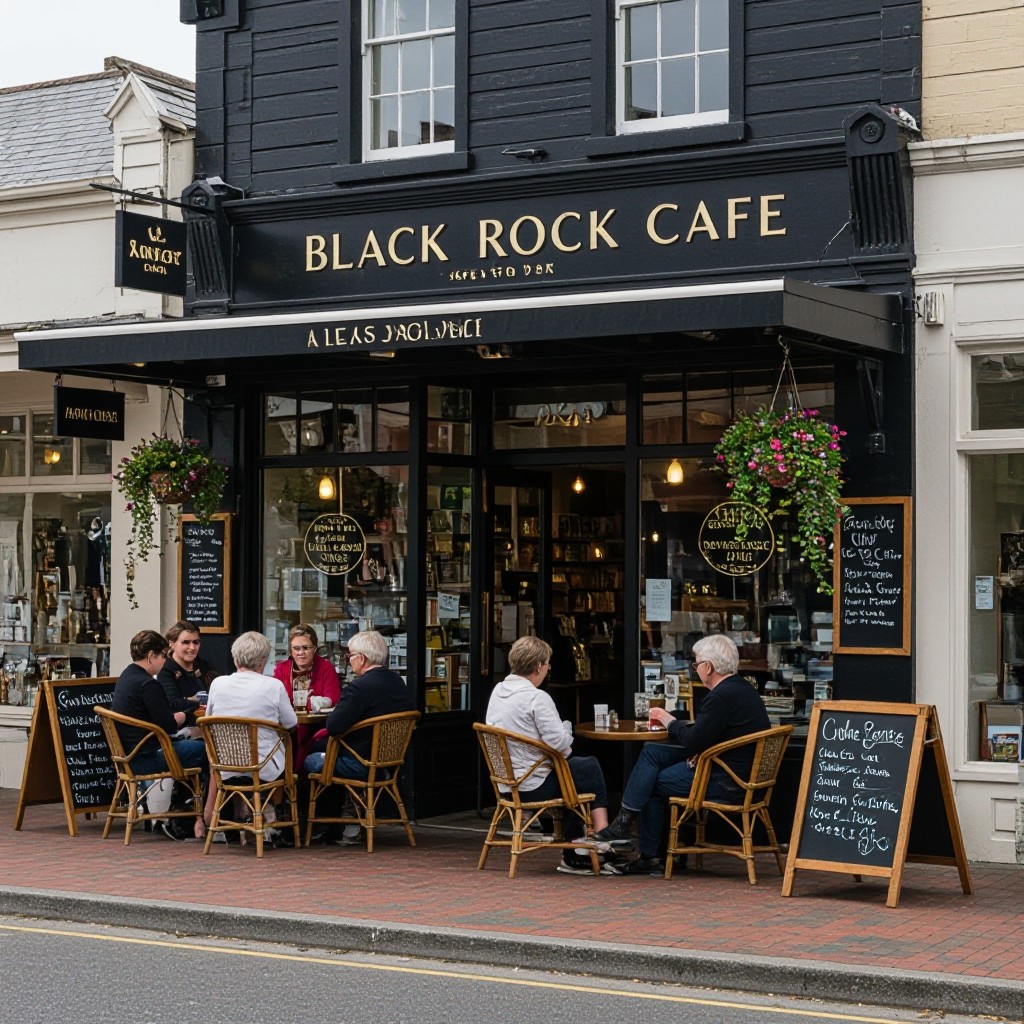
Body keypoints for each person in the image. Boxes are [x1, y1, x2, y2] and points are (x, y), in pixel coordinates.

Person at [595, 634, 770, 875]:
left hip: (728, 781)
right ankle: (630, 826)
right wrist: (703, 750)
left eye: (697, 664)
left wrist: (669, 720)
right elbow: (715, 735)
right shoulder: (742, 690)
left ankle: (649, 853)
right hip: (740, 774)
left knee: (652, 782)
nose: (695, 669)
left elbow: (691, 741)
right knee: (652, 753)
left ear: (708, 667)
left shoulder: (719, 697)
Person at [485, 635, 630, 876]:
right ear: (538, 666)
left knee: (576, 771)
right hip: (532, 784)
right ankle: (600, 837)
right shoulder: (536, 697)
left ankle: (582, 846)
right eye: (548, 664)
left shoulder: (498, 691)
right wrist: (566, 727)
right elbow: (562, 745)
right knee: (586, 768)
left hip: (507, 783)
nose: (549, 668)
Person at [303, 630, 414, 844]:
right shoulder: (398, 683)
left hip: (361, 764)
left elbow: (334, 725)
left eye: (350, 656)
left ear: (361, 658)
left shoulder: (359, 688)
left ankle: (323, 826)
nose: (349, 660)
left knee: (312, 759)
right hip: (389, 763)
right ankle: (350, 824)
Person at [110, 629, 207, 841]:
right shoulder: (148, 684)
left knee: (192, 747)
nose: (165, 659)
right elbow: (169, 725)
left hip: (127, 756)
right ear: (151, 655)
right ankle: (190, 818)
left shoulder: (127, 675)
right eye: (163, 655)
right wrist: (189, 710)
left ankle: (184, 813)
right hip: (146, 757)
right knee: (208, 752)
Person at [202, 631, 298, 838]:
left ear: (235, 657)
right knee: (287, 745)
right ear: (263, 661)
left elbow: (209, 719)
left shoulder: (217, 684)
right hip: (264, 767)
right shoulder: (274, 686)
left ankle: (241, 817)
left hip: (225, 765)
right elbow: (291, 724)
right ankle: (271, 817)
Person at [274, 622, 341, 764]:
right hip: (287, 726)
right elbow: (277, 699)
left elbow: (333, 699)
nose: (301, 653)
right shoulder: (281, 669)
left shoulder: (326, 667)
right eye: (296, 648)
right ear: (290, 650)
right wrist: (314, 701)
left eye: (306, 648)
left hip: (318, 727)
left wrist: (304, 703)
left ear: (315, 649)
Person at [157, 620, 219, 728]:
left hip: (210, 726)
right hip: (183, 731)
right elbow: (173, 704)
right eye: (186, 642)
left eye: (196, 642)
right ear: (172, 643)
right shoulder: (165, 670)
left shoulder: (206, 666)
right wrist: (199, 701)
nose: (192, 647)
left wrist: (190, 700)